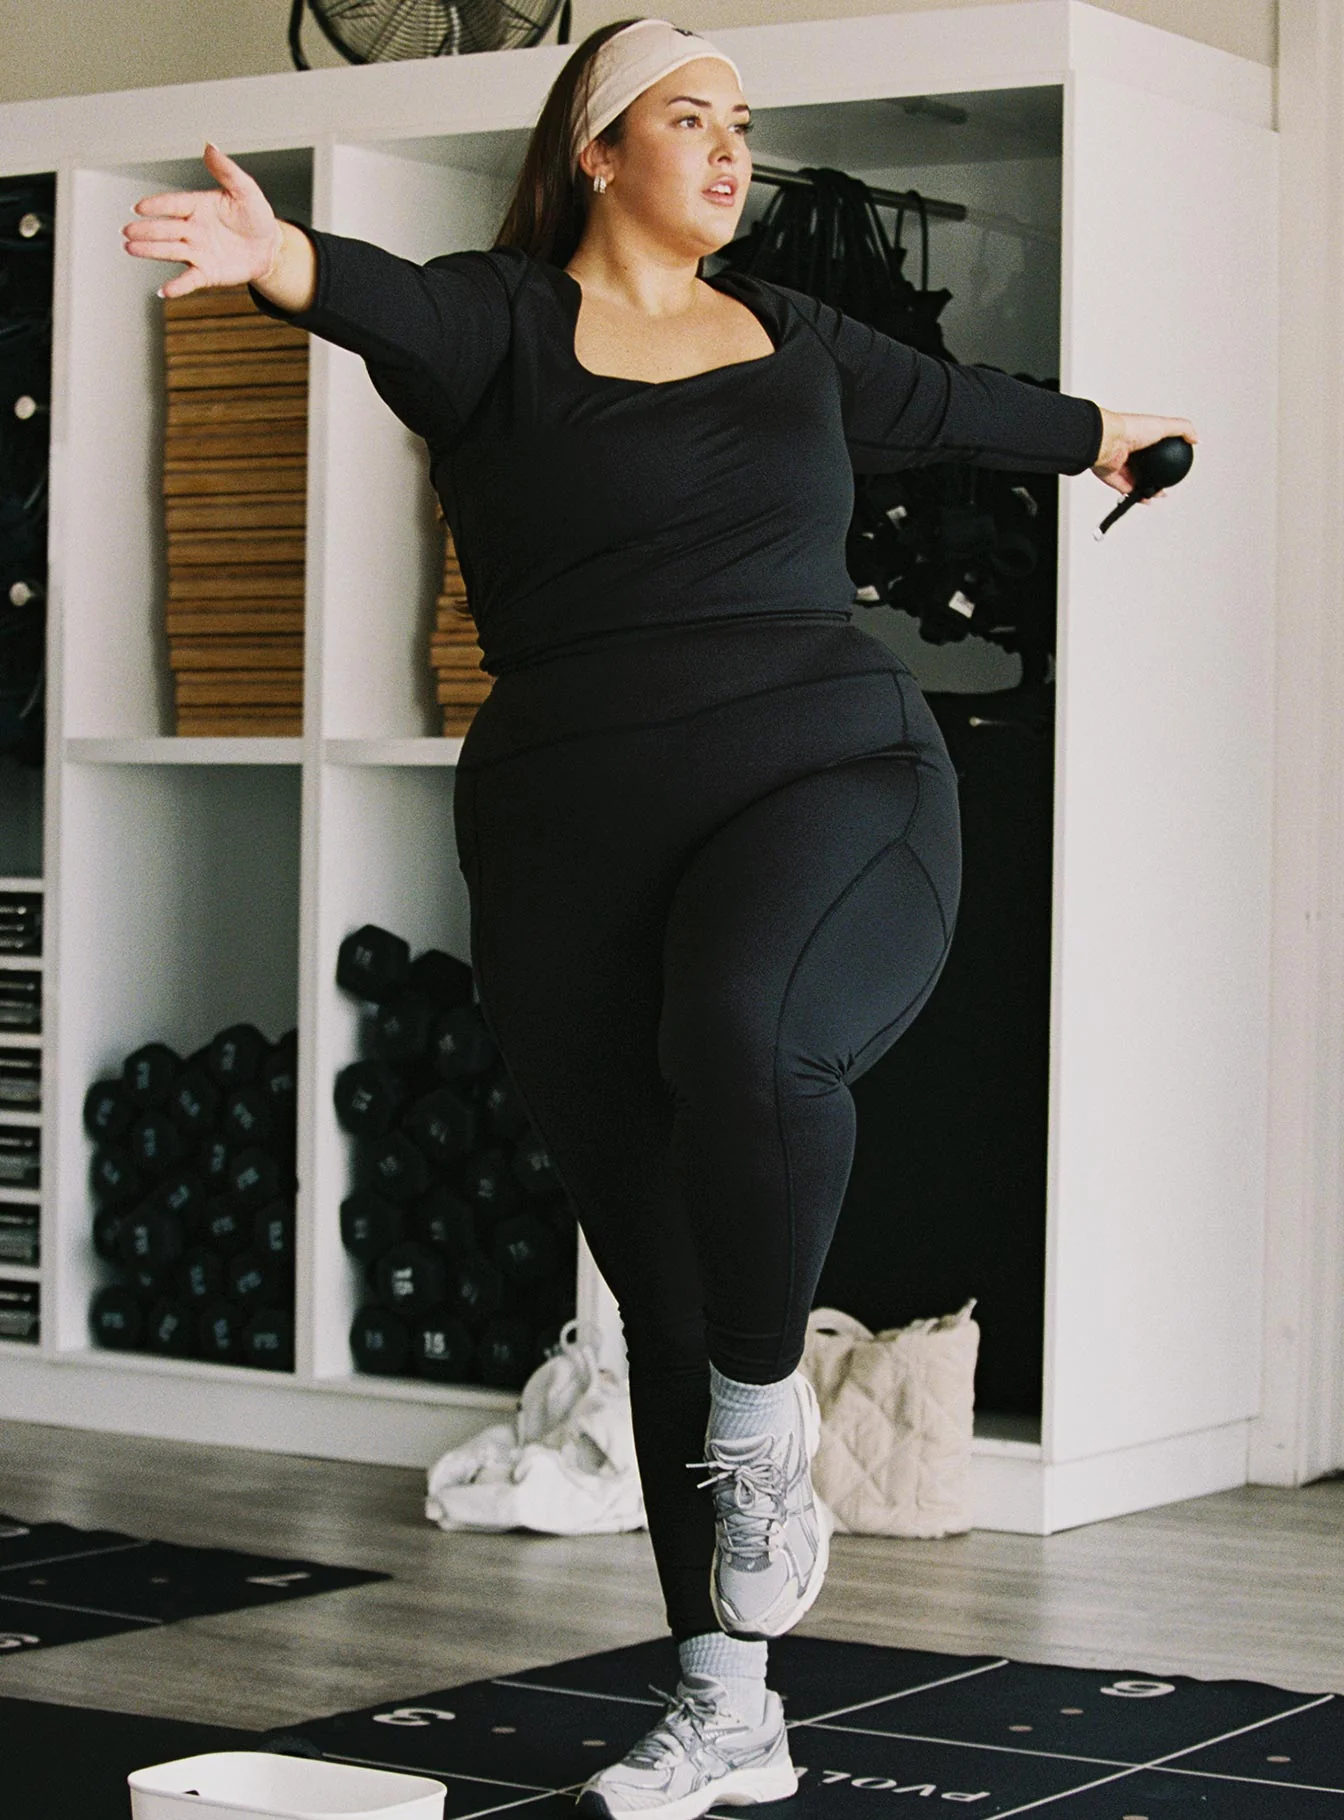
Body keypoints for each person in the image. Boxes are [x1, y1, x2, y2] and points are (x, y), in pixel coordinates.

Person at [123, 17, 1197, 1818]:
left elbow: (960, 404)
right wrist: (276, 255)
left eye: (741, 123)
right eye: (687, 117)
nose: (728, 149)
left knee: (749, 1030)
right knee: (659, 1279)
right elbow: (376, 296)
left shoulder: (792, 333)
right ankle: (728, 1710)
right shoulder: (500, 326)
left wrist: (1105, 435)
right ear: (597, 150)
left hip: (830, 770)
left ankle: (770, 1423)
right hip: (568, 835)